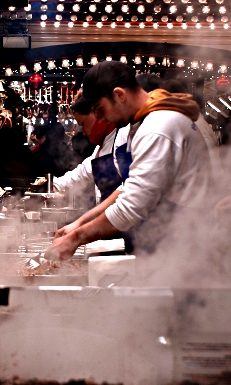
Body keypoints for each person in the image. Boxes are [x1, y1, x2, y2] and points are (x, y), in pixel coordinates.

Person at [45, 61, 219, 268]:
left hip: (184, 250)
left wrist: (75, 239)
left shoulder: (158, 127)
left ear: (119, 95)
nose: (100, 118)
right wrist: (78, 224)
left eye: (100, 109)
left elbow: (131, 207)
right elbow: (127, 188)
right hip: (168, 246)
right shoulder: (147, 122)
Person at [53, 93, 129, 212]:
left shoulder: (123, 137)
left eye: (83, 124)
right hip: (109, 219)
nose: (83, 132)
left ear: (95, 113)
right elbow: (82, 173)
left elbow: (129, 189)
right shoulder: (100, 148)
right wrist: (55, 185)